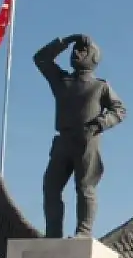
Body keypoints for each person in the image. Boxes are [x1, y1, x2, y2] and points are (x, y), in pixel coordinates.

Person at [33, 33, 127, 238]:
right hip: (63, 141)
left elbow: (119, 110)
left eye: (82, 49)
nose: (76, 52)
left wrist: (101, 123)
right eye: (74, 49)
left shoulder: (100, 86)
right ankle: (53, 233)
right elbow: (40, 59)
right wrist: (65, 41)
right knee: (51, 187)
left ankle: (83, 231)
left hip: (87, 140)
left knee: (85, 187)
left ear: (93, 56)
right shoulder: (62, 81)